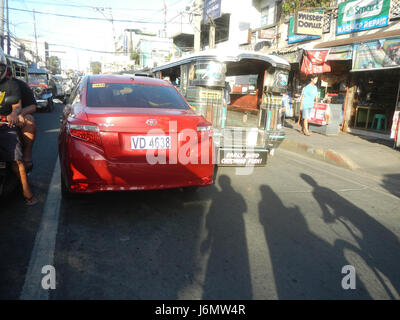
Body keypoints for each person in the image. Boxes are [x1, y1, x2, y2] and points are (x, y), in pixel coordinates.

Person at [0, 50, 37, 205]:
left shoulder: (13, 85)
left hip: (5, 125)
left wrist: (14, 115)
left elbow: (18, 106)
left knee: (17, 160)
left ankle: (26, 192)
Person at [6, 60, 37, 171]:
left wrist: (19, 114)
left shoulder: (20, 85)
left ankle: (27, 156)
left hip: (14, 120)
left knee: (29, 121)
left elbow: (33, 106)